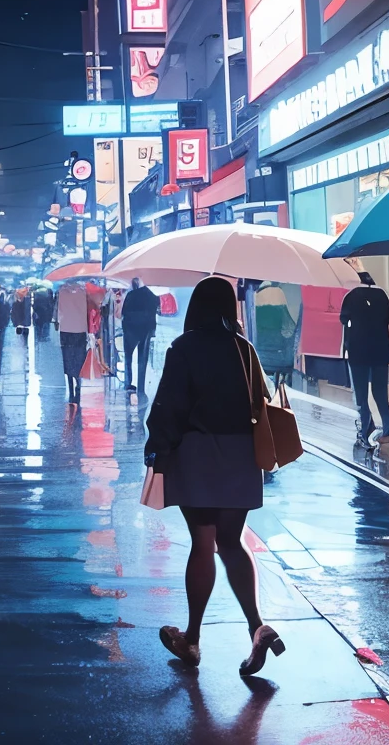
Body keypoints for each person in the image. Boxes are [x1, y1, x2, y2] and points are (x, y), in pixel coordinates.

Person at [144, 276, 284, 676]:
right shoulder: (244, 349)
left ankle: (191, 637)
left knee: (202, 543)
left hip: (199, 452)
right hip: (242, 455)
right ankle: (258, 627)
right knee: (232, 542)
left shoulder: (184, 347)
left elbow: (170, 404)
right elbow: (261, 401)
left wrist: (158, 449)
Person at [341, 272, 389, 449]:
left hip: (358, 351)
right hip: (380, 351)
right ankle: (388, 428)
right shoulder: (382, 295)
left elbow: (343, 319)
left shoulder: (351, 296)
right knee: (380, 392)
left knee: (361, 395)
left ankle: (365, 431)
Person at [122, 278, 161, 395]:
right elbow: (157, 310)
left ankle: (128, 383)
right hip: (146, 328)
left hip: (130, 328)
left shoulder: (131, 295)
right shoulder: (153, 295)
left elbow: (124, 312)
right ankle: (141, 385)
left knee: (128, 357)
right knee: (142, 359)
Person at [57, 281, 88, 403]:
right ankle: (79, 383)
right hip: (80, 329)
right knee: (80, 358)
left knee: (67, 358)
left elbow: (59, 310)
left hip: (65, 329)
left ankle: (70, 386)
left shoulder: (61, 291)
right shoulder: (83, 291)